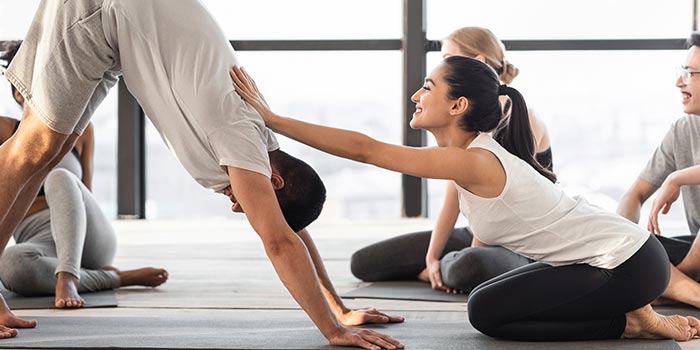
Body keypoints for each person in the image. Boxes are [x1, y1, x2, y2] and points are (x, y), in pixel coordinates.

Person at [0, 1, 403, 348]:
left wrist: (340, 306)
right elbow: (279, 241)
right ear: (275, 182)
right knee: (34, 148)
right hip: (103, 9)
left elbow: (287, 227)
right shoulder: (239, 136)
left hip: (118, 30)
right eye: (242, 207)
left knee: (48, 155)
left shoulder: (259, 142)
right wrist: (332, 330)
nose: (236, 206)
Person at [231, 57, 700, 341]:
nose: (416, 95)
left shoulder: (473, 160)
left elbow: (367, 150)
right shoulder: (467, 156)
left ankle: (630, 324)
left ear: (458, 106)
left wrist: (272, 118)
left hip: (631, 264)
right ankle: (635, 312)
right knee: (485, 297)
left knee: (485, 314)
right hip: (614, 259)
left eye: (428, 89)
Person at [350, 27, 548, 294]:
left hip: (520, 240)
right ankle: (437, 270)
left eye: (448, 57)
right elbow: (453, 195)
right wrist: (431, 257)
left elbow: (498, 212)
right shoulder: (468, 122)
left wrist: (466, 255)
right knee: (364, 263)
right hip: (478, 229)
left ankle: (446, 270)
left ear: (478, 62)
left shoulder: (518, 119)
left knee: (468, 265)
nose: (442, 66)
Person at [0, 41, 169, 309]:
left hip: (88, 237)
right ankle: (114, 278)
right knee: (10, 266)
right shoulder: (6, 130)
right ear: (19, 93)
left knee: (60, 177)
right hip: (39, 243)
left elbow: (85, 189)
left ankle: (68, 276)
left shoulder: (81, 130)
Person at [619, 32, 700, 309]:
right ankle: (683, 285)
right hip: (697, 250)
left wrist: (678, 177)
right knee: (611, 246)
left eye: (689, 73)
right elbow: (635, 195)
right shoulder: (682, 130)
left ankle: (680, 284)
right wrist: (628, 243)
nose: (679, 82)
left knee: (654, 269)